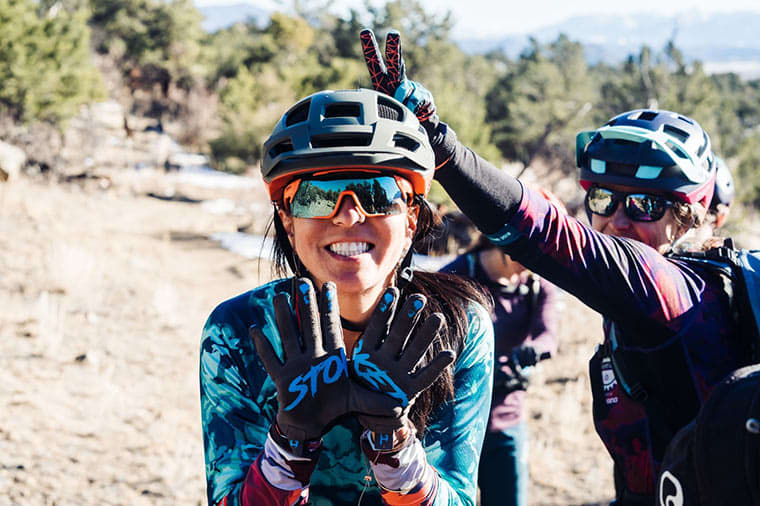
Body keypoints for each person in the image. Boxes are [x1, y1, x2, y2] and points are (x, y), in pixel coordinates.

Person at [359, 29, 755, 505]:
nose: (619, 222)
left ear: (687, 215)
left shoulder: (668, 291)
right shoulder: (644, 299)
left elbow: (546, 233)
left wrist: (445, 151)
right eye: (604, 198)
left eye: (647, 205)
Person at [200, 88, 494, 506]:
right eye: (316, 197)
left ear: (411, 217)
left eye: (377, 193)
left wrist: (394, 449)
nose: (348, 215)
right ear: (287, 222)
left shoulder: (455, 327)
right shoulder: (239, 331)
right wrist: (290, 444)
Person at [440, 210, 560, 506]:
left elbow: (549, 336)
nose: (531, 268)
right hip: (452, 426)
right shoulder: (455, 277)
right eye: (527, 258)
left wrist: (533, 350)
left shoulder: (534, 286)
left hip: (506, 419)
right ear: (504, 245)